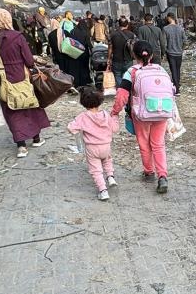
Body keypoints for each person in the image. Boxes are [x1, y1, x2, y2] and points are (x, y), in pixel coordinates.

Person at [0, 9, 51, 158]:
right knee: (29, 104)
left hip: (3, 79)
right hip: (21, 76)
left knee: (11, 109)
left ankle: (21, 146)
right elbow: (29, 61)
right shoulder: (17, 36)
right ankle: (36, 139)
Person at [111, 41, 172, 194]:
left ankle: (149, 172)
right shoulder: (161, 70)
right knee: (158, 145)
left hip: (141, 115)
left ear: (134, 55)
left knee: (144, 144)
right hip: (162, 112)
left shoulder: (131, 72)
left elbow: (122, 96)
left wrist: (114, 112)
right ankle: (162, 176)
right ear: (151, 55)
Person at [68, 86, 120, 201]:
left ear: (83, 102)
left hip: (92, 148)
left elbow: (71, 128)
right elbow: (115, 128)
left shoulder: (82, 117)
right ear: (100, 100)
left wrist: (77, 130)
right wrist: (115, 118)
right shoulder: (106, 114)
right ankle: (111, 177)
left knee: (96, 170)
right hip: (106, 145)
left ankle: (103, 191)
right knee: (107, 160)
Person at [108, 18, 136, 86]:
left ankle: (121, 90)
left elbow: (110, 48)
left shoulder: (113, 34)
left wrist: (108, 58)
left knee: (117, 76)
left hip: (116, 59)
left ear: (118, 24)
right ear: (127, 25)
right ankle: (127, 91)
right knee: (128, 76)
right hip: (128, 60)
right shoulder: (131, 34)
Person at [163, 13, 185, 94]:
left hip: (170, 53)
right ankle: (177, 85)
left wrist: (165, 52)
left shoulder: (165, 29)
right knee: (178, 70)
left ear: (169, 18)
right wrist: (181, 48)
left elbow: (164, 43)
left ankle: (177, 89)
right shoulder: (181, 29)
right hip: (179, 53)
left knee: (173, 70)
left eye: (167, 18)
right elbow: (185, 41)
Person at [70, 20, 93, 87]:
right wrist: (93, 50)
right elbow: (88, 43)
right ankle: (85, 81)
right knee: (85, 67)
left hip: (75, 51)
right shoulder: (85, 32)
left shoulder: (73, 31)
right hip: (84, 52)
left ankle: (77, 81)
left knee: (76, 66)